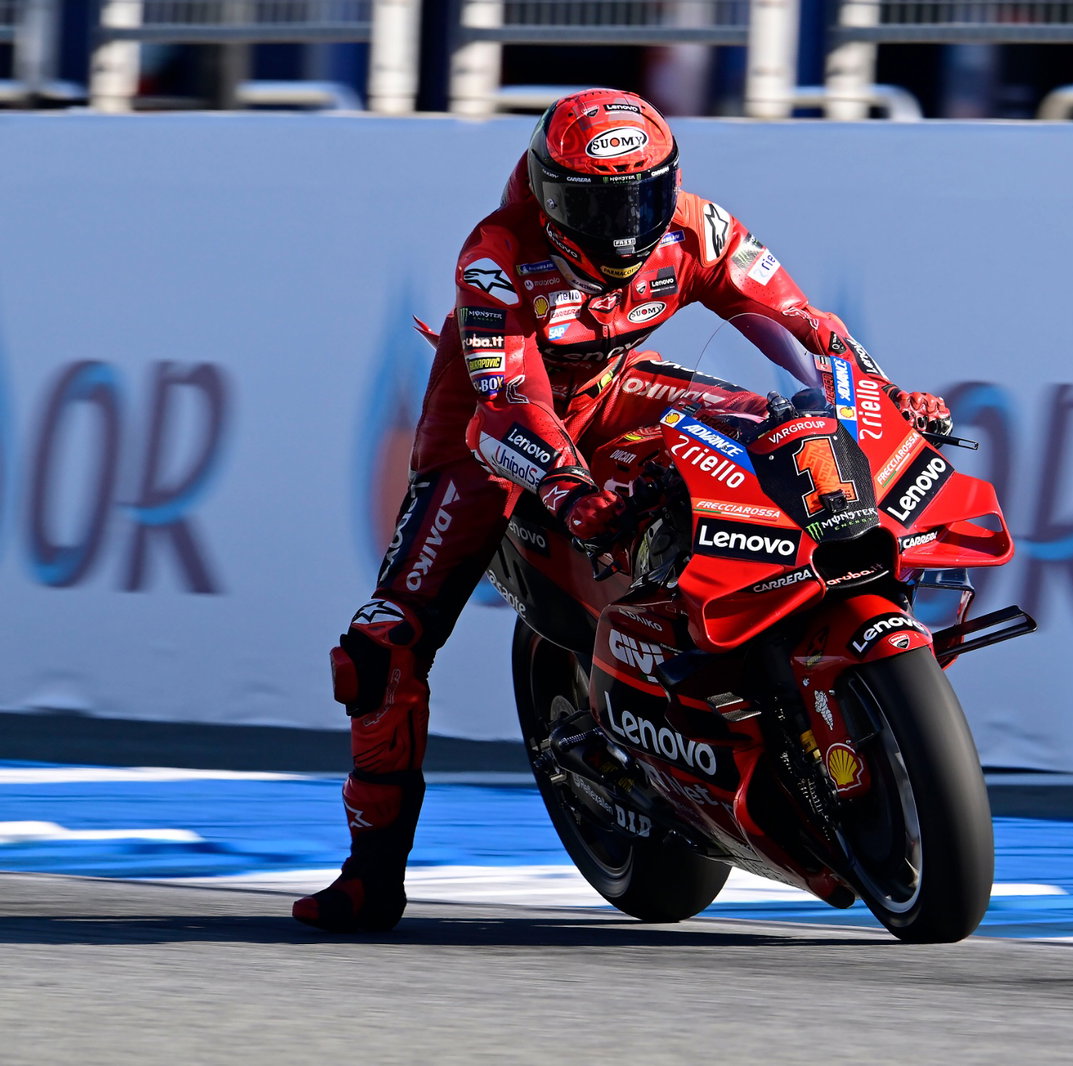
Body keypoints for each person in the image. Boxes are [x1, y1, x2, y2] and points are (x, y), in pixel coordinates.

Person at [293, 88, 952, 933]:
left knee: (777, 425)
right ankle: (369, 876)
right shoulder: (497, 257)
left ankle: (780, 653)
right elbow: (509, 404)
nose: (623, 225)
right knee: (382, 645)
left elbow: (805, 327)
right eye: (595, 204)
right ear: (548, 192)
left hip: (611, 394)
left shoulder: (697, 228)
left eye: (640, 197)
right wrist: (568, 490)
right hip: (485, 439)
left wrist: (884, 398)